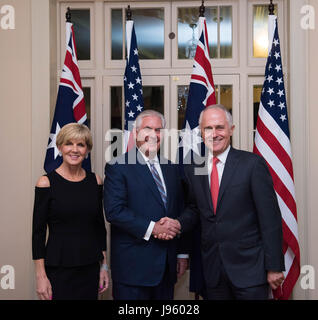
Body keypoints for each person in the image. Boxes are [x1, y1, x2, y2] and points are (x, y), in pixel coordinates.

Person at [159, 104, 285, 300]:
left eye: (220, 127)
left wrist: (275, 266)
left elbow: (270, 219)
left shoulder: (252, 165)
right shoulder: (195, 168)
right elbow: (194, 208)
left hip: (250, 270)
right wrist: (178, 223)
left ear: (231, 130)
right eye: (208, 128)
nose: (214, 133)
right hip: (213, 271)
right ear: (201, 132)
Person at [103, 110, 187, 300]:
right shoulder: (118, 166)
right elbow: (114, 211)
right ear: (135, 133)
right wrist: (153, 228)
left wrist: (181, 253)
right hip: (133, 271)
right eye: (147, 128)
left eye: (158, 130)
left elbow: (179, 209)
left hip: (166, 268)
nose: (153, 134)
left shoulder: (171, 168)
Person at [32, 123, 109, 300]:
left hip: (90, 267)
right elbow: (38, 233)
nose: (74, 150)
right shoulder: (46, 183)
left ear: (87, 150)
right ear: (60, 147)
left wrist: (104, 266)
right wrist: (40, 276)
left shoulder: (95, 181)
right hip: (58, 269)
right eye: (69, 144)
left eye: (80, 145)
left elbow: (99, 227)